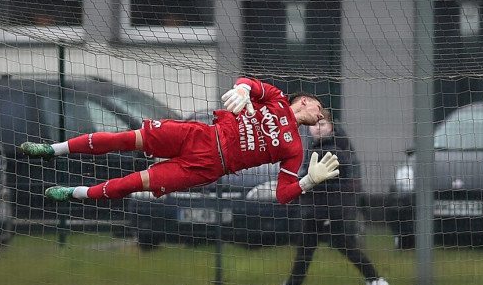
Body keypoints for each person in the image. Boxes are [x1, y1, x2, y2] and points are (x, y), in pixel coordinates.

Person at [20, 76, 340, 205]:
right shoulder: (276, 98)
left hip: (208, 166)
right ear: (307, 101)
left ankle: (75, 194)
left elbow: (284, 194)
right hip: (198, 135)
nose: (321, 115)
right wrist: (242, 91)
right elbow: (247, 82)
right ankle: (52, 150)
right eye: (320, 109)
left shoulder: (295, 148)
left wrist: (308, 182)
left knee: (134, 183)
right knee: (123, 138)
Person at [266, 116, 389, 285]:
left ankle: (375, 280)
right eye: (314, 125)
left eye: (322, 124)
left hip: (330, 211)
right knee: (306, 248)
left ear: (331, 126)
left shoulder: (332, 150)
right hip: (315, 209)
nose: (317, 128)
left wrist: (305, 186)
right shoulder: (315, 147)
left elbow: (333, 180)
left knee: (345, 246)